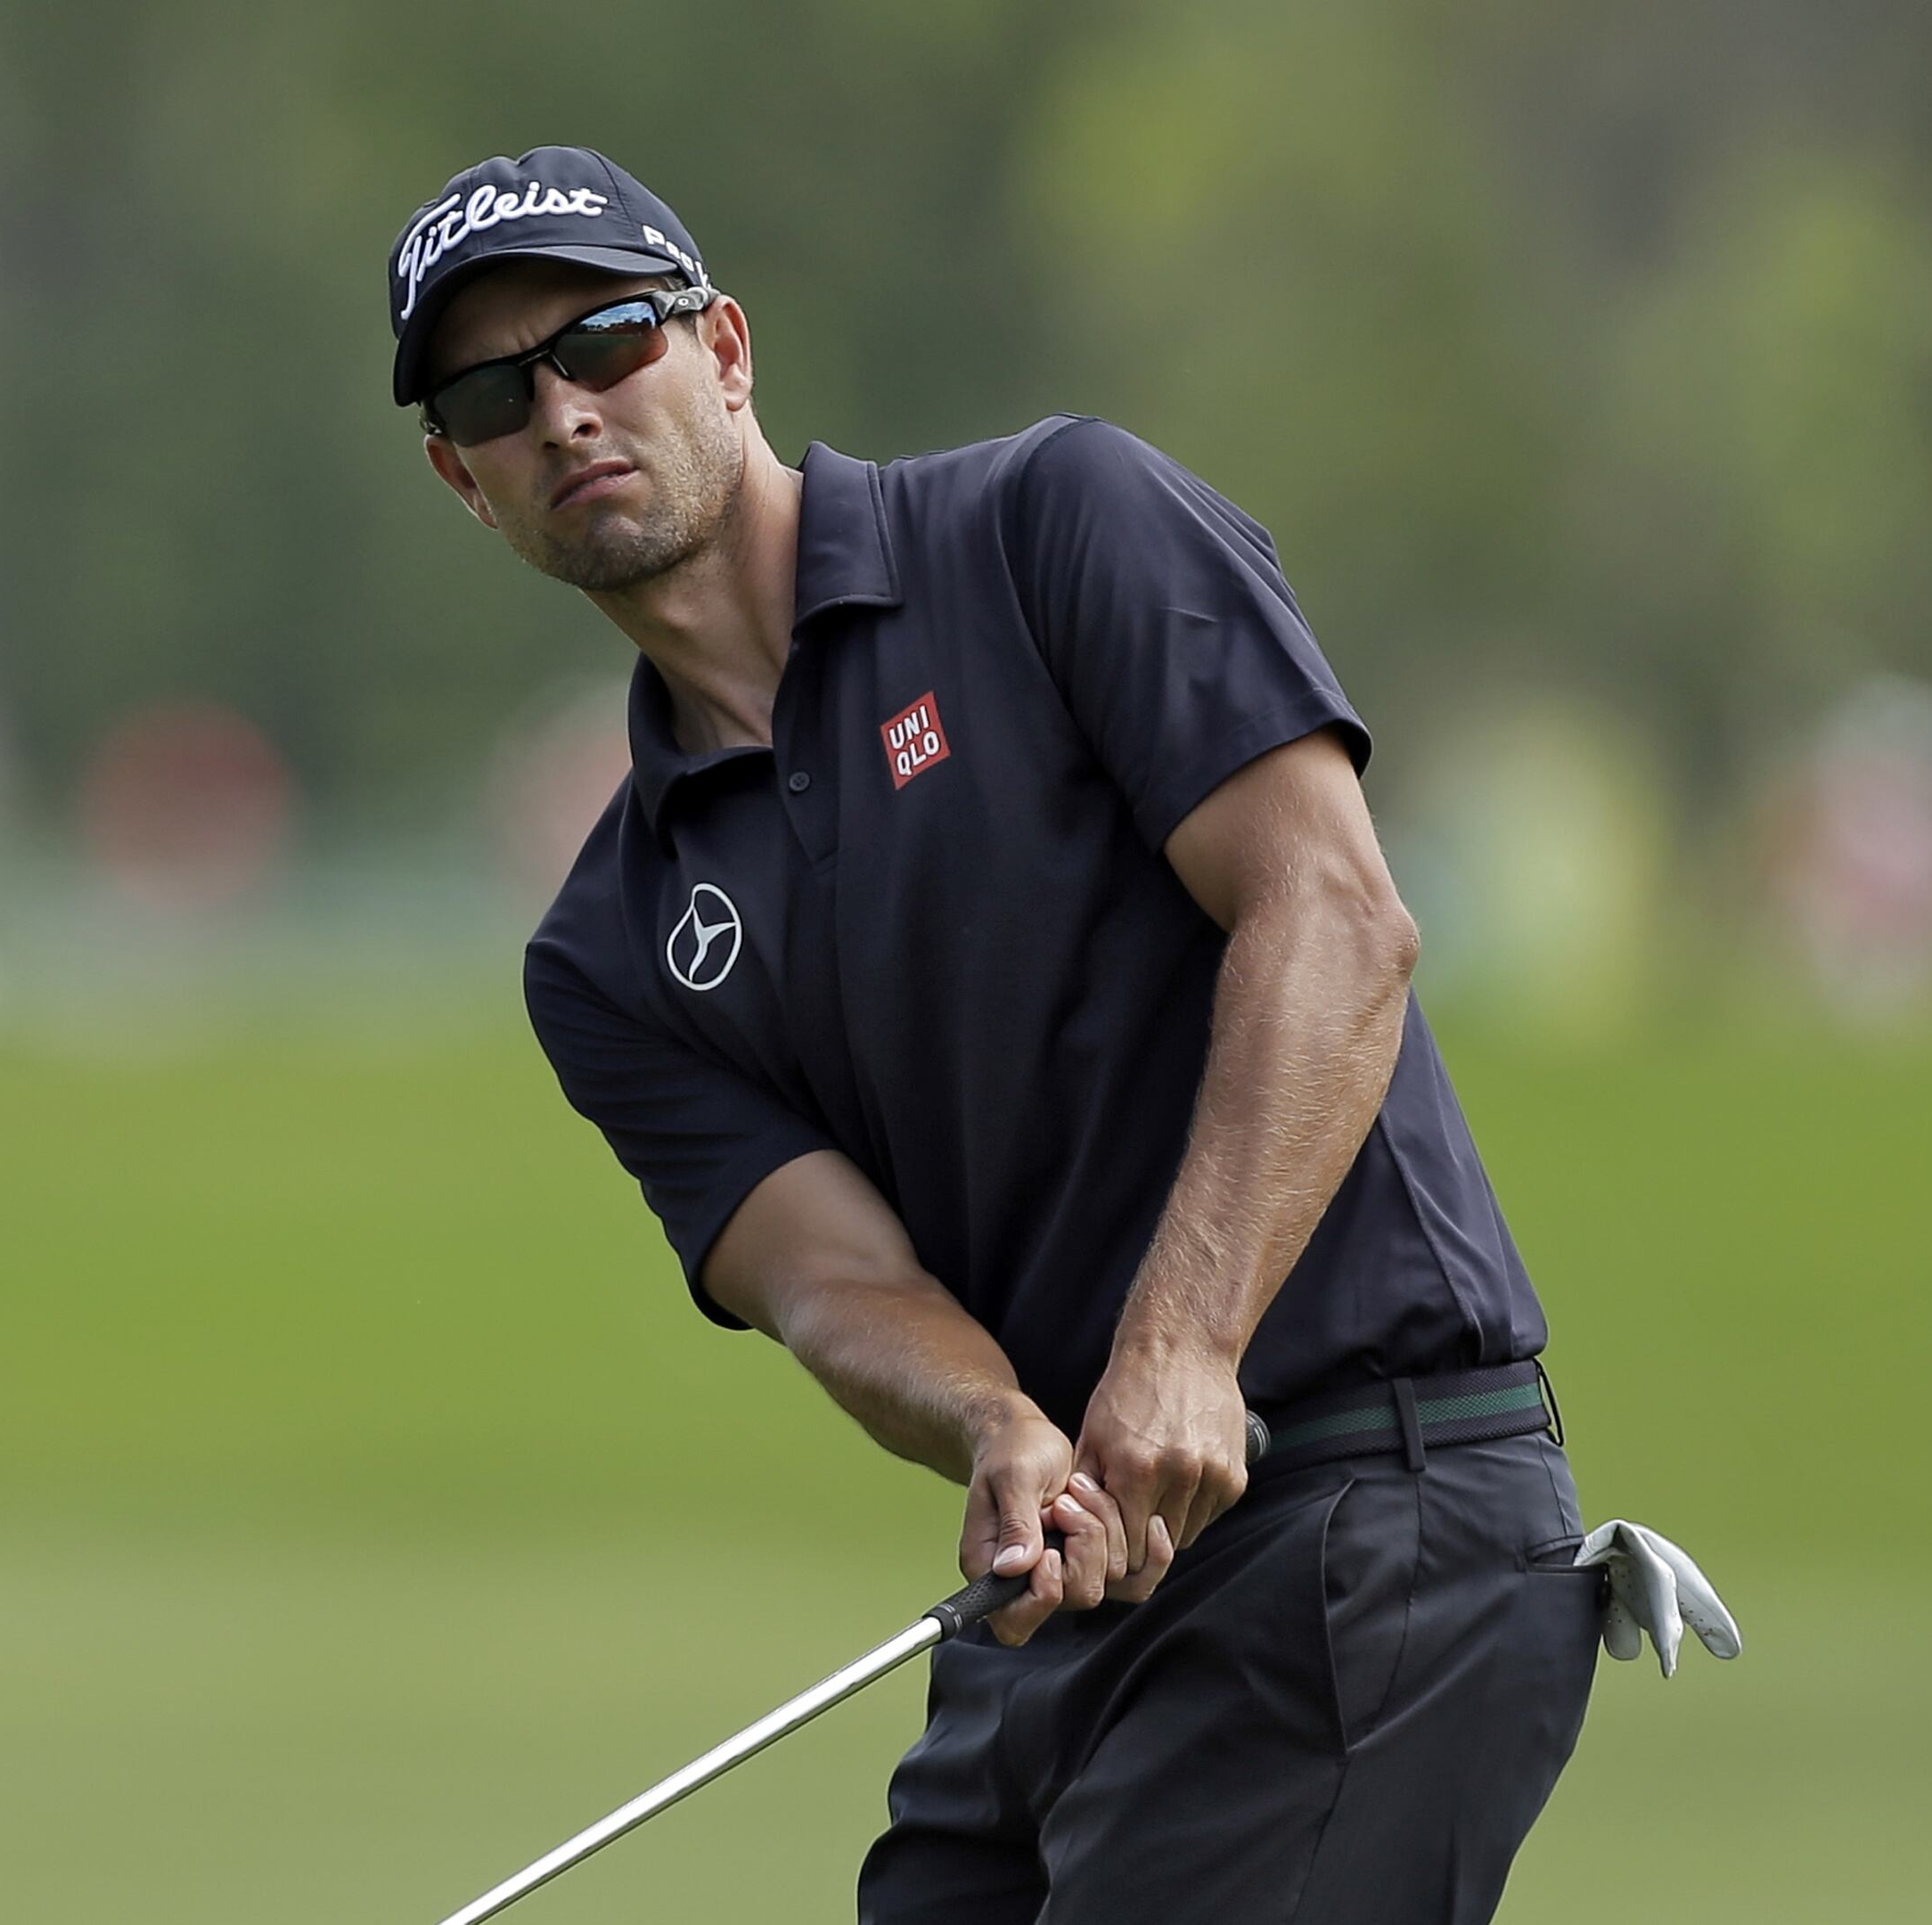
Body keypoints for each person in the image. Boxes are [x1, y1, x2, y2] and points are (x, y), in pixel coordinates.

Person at [388, 145, 1613, 1925]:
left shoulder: (1054, 530)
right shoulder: (609, 945)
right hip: (1079, 1590)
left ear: (723, 349)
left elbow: (1337, 921)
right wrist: (995, 1431)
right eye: (496, 392)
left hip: (1368, 1507)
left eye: (609, 340)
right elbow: (833, 1278)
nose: (563, 411)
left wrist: (1186, 1348)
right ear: (460, 477)